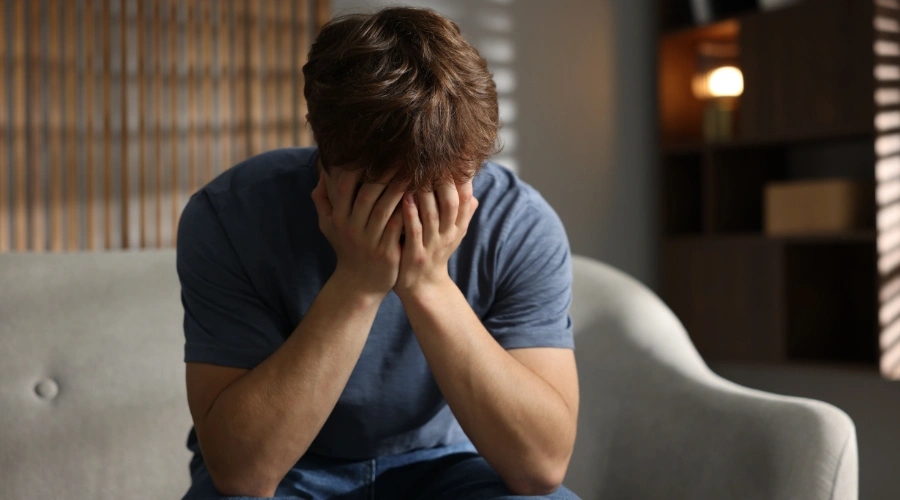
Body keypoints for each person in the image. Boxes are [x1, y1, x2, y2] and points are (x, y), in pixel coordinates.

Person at [177, 6, 580, 500]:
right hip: (294, 471)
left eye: (441, 187)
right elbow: (242, 474)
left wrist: (427, 282)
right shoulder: (229, 216)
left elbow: (540, 469)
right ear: (321, 144)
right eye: (386, 191)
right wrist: (357, 285)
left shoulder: (517, 223)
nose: (417, 213)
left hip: (452, 467)